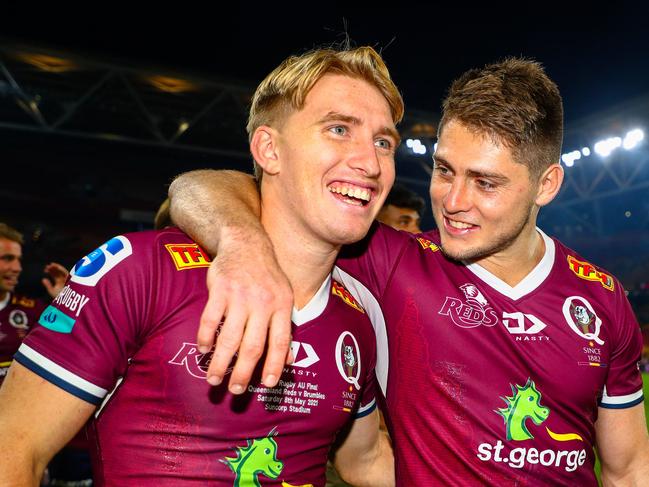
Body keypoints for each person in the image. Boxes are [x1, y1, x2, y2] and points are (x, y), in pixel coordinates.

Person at [167, 58, 649, 485]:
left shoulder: (601, 298)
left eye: (485, 182)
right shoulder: (387, 259)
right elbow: (196, 188)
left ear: (546, 184)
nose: (454, 202)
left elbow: (628, 470)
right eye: (444, 171)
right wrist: (243, 244)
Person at [0, 45, 403, 486]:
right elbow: (15, 447)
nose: (370, 163)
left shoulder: (358, 317)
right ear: (269, 149)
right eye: (339, 129)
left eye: (383, 142)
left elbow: (364, 460)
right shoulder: (141, 270)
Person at [0, 222, 67, 384]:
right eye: (7, 258)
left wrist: (64, 301)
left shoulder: (31, 309)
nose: (17, 268)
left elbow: (69, 345)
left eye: (18, 260)